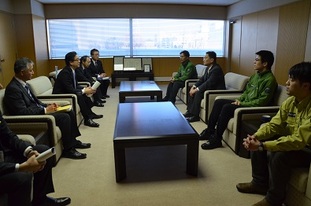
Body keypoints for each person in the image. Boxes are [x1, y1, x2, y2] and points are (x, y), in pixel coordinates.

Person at [237, 62, 311, 206]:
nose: (286, 83)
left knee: (279, 155)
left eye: (292, 80)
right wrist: (256, 137)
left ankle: (273, 200)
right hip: (294, 142)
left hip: (307, 148)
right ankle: (259, 183)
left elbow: (299, 140)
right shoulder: (290, 102)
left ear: (306, 86)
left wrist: (263, 145)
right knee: (261, 138)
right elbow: (274, 125)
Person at [4, 57, 90, 159]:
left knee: (69, 111)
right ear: (22, 72)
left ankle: (73, 141)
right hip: (34, 117)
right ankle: (69, 150)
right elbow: (21, 111)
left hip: (39, 110)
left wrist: (47, 106)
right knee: (64, 117)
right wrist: (44, 110)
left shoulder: (24, 84)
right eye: (30, 70)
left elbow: (36, 101)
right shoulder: (13, 89)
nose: (33, 72)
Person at [200, 50, 278, 150]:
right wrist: (239, 100)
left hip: (253, 107)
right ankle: (209, 131)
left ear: (265, 63)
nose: (254, 62)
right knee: (219, 101)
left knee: (227, 107)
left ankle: (217, 139)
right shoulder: (255, 76)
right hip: (245, 103)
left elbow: (262, 102)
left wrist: (242, 103)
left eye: (257, 60)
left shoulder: (270, 80)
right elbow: (246, 92)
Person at [0, 113, 71, 206]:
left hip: (4, 156)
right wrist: (20, 167)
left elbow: (9, 136)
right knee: (22, 178)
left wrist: (29, 151)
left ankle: (41, 200)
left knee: (42, 152)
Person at [53, 51, 103, 128]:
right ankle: (87, 119)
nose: (79, 61)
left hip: (68, 92)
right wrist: (84, 91)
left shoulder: (72, 70)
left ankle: (90, 114)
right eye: (77, 59)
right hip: (61, 95)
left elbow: (75, 85)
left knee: (83, 94)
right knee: (80, 95)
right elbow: (69, 89)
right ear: (71, 62)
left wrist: (85, 88)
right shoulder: (65, 73)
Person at [184, 51, 226, 122]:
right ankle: (190, 112)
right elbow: (202, 79)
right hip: (209, 88)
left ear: (212, 60)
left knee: (198, 92)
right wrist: (194, 86)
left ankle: (195, 116)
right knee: (191, 90)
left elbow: (209, 83)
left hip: (215, 91)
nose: (203, 59)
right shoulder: (208, 68)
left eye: (206, 58)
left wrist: (197, 89)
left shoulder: (216, 69)